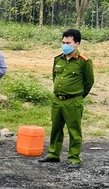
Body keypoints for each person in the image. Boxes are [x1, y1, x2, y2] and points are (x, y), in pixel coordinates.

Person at [38, 28, 95, 167]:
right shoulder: (58, 59)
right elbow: (54, 77)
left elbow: (89, 82)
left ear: (77, 44)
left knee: (74, 130)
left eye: (68, 42)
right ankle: (53, 154)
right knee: (56, 129)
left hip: (73, 100)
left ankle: (74, 158)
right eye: (63, 42)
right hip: (57, 100)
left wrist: (78, 96)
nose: (65, 45)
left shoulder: (83, 62)